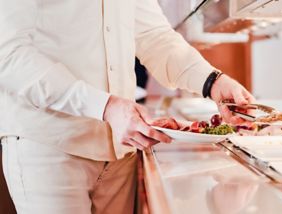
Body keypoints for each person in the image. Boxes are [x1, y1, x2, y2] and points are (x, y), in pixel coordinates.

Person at [0, 0, 254, 213]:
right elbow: (8, 54)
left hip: (120, 152)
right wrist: (105, 106)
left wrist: (212, 81)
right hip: (50, 147)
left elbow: (154, 37)